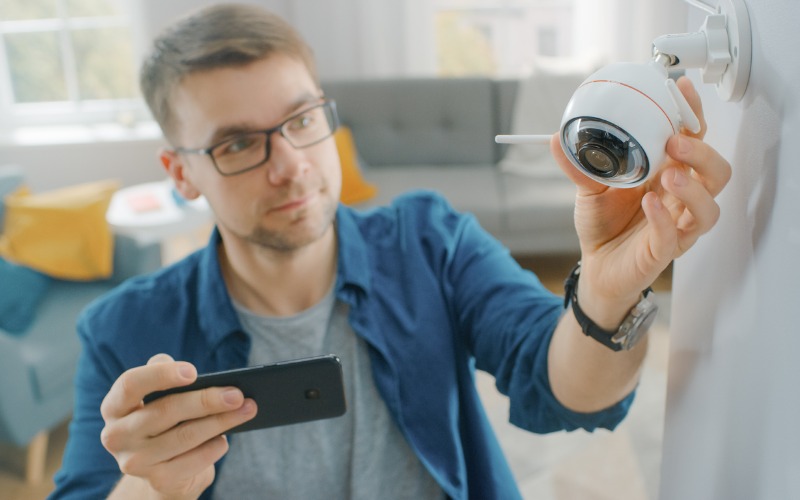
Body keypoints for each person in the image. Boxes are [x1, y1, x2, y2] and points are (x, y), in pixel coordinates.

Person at [50, 4, 730, 500]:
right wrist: (150, 487)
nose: (289, 165)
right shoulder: (124, 333)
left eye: (301, 119)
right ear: (180, 174)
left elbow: (567, 391)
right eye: (236, 144)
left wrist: (607, 294)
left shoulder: (429, 240)